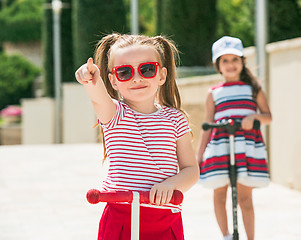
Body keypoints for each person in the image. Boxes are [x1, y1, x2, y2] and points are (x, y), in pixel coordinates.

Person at [75, 33, 199, 240]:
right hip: (121, 218)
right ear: (113, 81)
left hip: (165, 218)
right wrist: (91, 80)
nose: (137, 78)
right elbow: (98, 98)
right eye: (125, 72)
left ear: (161, 75)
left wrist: (171, 184)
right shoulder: (115, 114)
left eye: (147, 69)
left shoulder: (175, 119)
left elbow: (191, 170)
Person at [196, 36, 272, 240]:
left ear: (242, 62)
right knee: (219, 195)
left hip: (245, 149)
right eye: (225, 61)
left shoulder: (253, 89)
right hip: (220, 148)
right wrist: (199, 155)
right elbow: (207, 125)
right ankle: (226, 235)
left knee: (245, 198)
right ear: (218, 66)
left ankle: (250, 238)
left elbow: (268, 116)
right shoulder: (213, 93)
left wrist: (254, 117)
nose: (230, 65)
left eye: (234, 59)